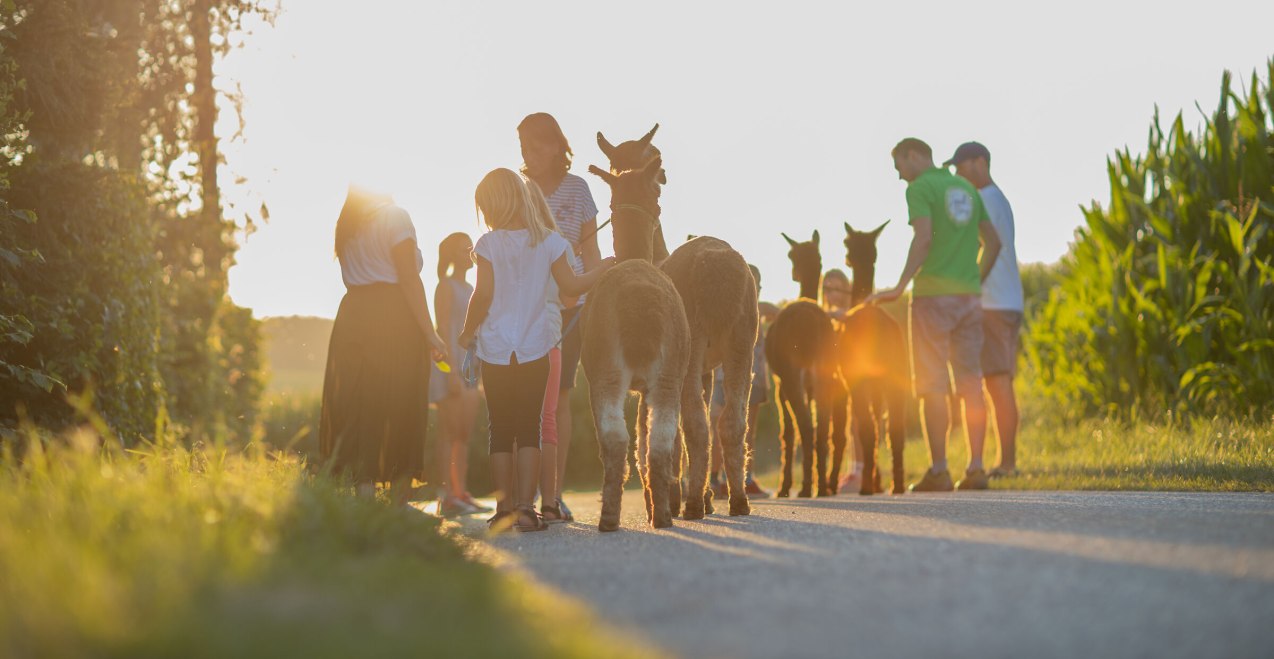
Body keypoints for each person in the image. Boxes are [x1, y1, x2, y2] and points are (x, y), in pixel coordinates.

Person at [457, 168, 612, 532]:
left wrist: (467, 333)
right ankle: (528, 509)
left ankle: (503, 508)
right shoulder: (551, 242)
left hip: (496, 351)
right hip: (535, 349)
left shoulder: (488, 245)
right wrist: (603, 269)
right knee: (530, 428)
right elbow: (571, 285)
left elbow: (482, 296)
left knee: (500, 429)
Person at [868, 138, 1001, 492]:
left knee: (932, 386)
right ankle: (976, 468)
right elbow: (994, 242)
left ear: (914, 155)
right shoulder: (966, 188)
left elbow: (923, 239)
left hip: (931, 298)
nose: (900, 177)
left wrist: (898, 287)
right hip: (968, 298)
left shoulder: (920, 188)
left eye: (899, 167)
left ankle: (940, 471)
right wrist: (974, 279)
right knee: (971, 381)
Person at [320, 184, 449, 505]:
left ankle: (363, 490)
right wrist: (430, 332)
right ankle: (399, 495)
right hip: (393, 317)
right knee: (399, 398)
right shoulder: (395, 217)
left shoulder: (348, 225)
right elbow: (408, 277)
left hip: (353, 314)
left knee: (359, 401)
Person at [518, 112, 601, 522]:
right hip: (526, 311)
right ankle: (524, 498)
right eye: (523, 149)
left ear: (556, 146)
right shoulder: (520, 192)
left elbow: (592, 253)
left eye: (535, 146)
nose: (529, 156)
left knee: (560, 399)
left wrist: (582, 291)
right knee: (526, 402)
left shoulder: (579, 190)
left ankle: (553, 493)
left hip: (569, 309)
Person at [947, 142, 1024, 478]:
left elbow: (992, 247)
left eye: (961, 165)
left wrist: (972, 287)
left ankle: (1007, 464)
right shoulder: (998, 198)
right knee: (998, 382)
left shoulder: (986, 199)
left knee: (997, 382)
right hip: (1007, 300)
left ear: (980, 162)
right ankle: (1006, 461)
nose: (957, 173)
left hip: (994, 303)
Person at [431, 232, 488, 517]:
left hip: (471, 366)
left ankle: (461, 491)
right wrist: (451, 372)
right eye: (462, 246)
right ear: (451, 253)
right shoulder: (446, 287)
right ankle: (447, 496)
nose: (469, 249)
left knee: (463, 434)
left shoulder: (471, 287)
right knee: (448, 432)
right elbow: (443, 330)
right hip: (450, 368)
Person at [709, 264, 772, 499]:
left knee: (724, 427)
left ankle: (722, 479)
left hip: (733, 377)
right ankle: (735, 479)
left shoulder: (734, 308)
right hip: (745, 377)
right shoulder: (751, 309)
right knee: (741, 429)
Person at [821, 268, 861, 494]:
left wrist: (841, 315)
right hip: (834, 378)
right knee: (839, 425)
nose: (832, 294)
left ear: (846, 289)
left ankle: (860, 470)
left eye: (836, 288)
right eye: (827, 289)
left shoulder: (851, 314)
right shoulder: (824, 317)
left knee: (857, 419)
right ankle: (844, 470)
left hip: (855, 371)